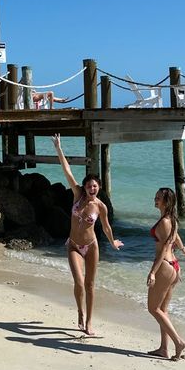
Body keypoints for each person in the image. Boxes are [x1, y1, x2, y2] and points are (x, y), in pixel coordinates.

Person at [52, 133, 123, 336]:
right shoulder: (77, 195)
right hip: (74, 244)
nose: (92, 188)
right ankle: (80, 313)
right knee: (79, 282)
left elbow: (107, 228)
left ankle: (90, 322)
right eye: (89, 185)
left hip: (91, 246)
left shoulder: (100, 206)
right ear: (84, 187)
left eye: (95, 186)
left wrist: (112, 242)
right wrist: (59, 148)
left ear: (99, 188)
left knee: (91, 285)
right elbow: (67, 171)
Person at [146, 187, 185, 361]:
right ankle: (164, 348)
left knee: (153, 308)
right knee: (163, 309)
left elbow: (164, 248)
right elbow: (175, 237)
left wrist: (153, 272)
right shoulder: (172, 219)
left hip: (164, 266)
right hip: (174, 266)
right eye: (155, 197)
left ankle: (178, 342)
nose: (155, 200)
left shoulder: (164, 221)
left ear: (167, 201)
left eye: (159, 198)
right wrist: (183, 247)